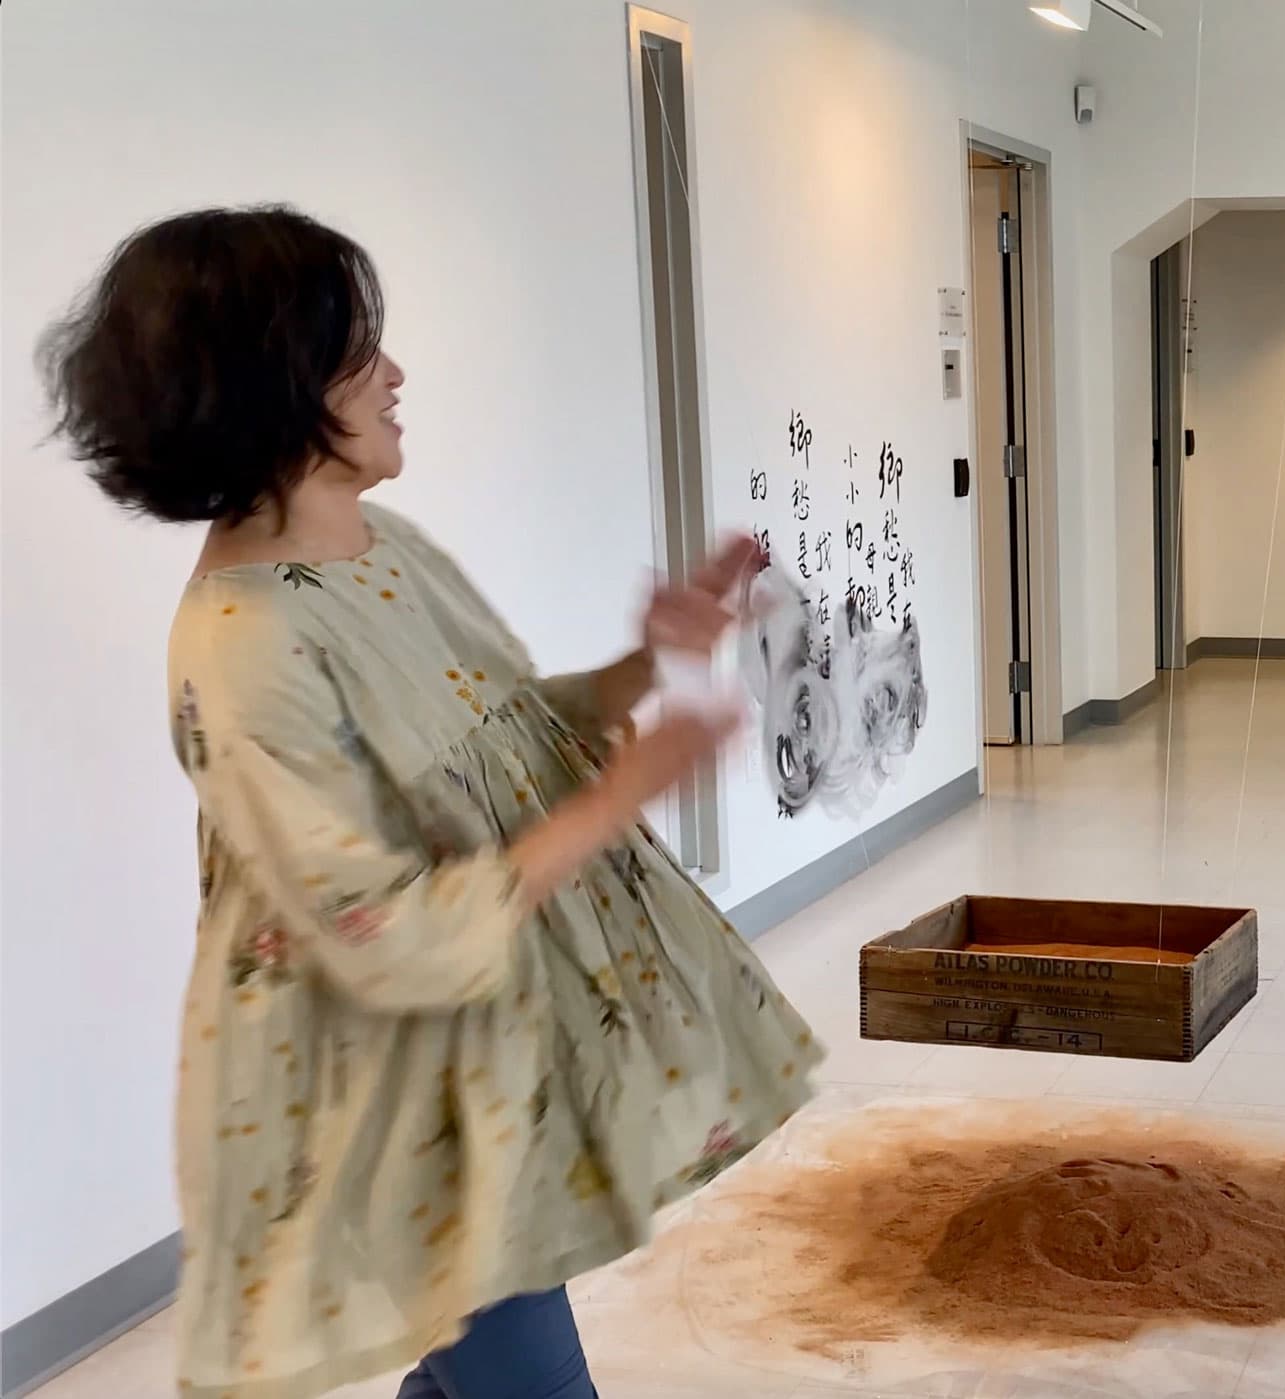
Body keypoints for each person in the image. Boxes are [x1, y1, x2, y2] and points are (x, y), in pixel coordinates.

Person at [40, 206, 825, 1399]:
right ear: (269, 387)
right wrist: (625, 787)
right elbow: (380, 928)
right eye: (358, 352)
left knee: (482, 1355)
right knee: (521, 1361)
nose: (395, 375)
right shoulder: (244, 646)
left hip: (479, 1053)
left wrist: (646, 662)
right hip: (392, 1087)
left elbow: (490, 746)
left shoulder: (376, 543)